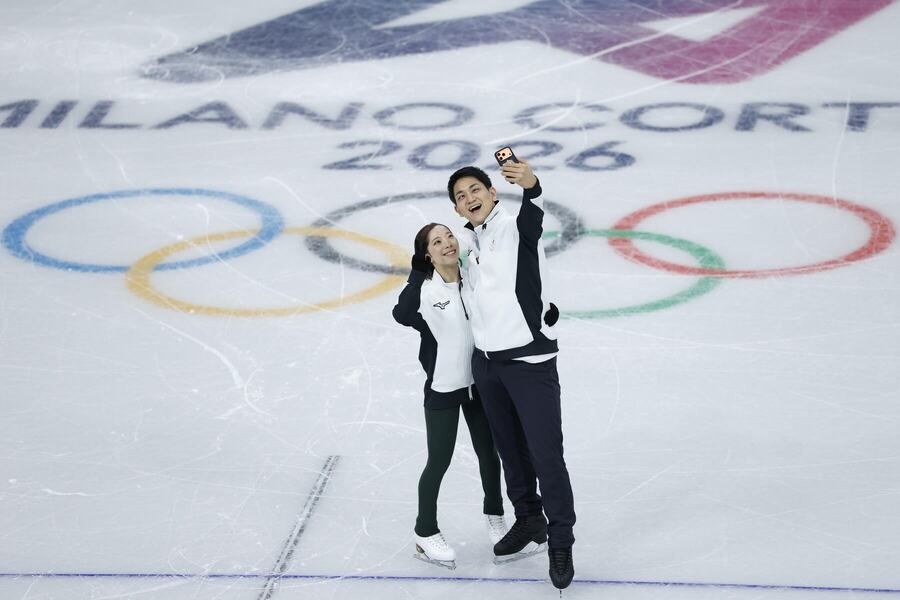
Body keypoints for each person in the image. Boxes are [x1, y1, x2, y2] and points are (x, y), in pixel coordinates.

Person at [448, 161, 575, 589]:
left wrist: (533, 184)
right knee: (510, 451)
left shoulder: (517, 228)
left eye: (474, 189)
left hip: (529, 360)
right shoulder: (464, 243)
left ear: (493, 192)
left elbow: (534, 206)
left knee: (546, 455)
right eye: (461, 196)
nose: (469, 198)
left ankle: (560, 540)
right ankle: (528, 520)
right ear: (458, 209)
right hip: (488, 364)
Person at [392, 223, 508, 569]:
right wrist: (416, 275)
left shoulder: (474, 276)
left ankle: (495, 517)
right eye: (436, 242)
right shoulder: (427, 292)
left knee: (490, 454)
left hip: (480, 384)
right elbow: (401, 314)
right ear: (427, 254)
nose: (446, 244)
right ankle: (425, 531)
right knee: (439, 461)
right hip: (444, 387)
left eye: (449, 237)